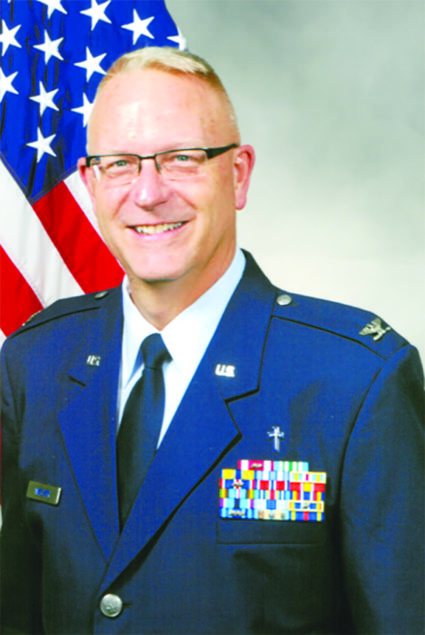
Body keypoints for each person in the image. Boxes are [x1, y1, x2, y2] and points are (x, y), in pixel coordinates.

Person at [1, 47, 424, 635]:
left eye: (181, 158)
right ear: (92, 183)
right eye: (119, 164)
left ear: (238, 174)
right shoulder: (35, 362)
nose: (148, 193)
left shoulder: (355, 381)